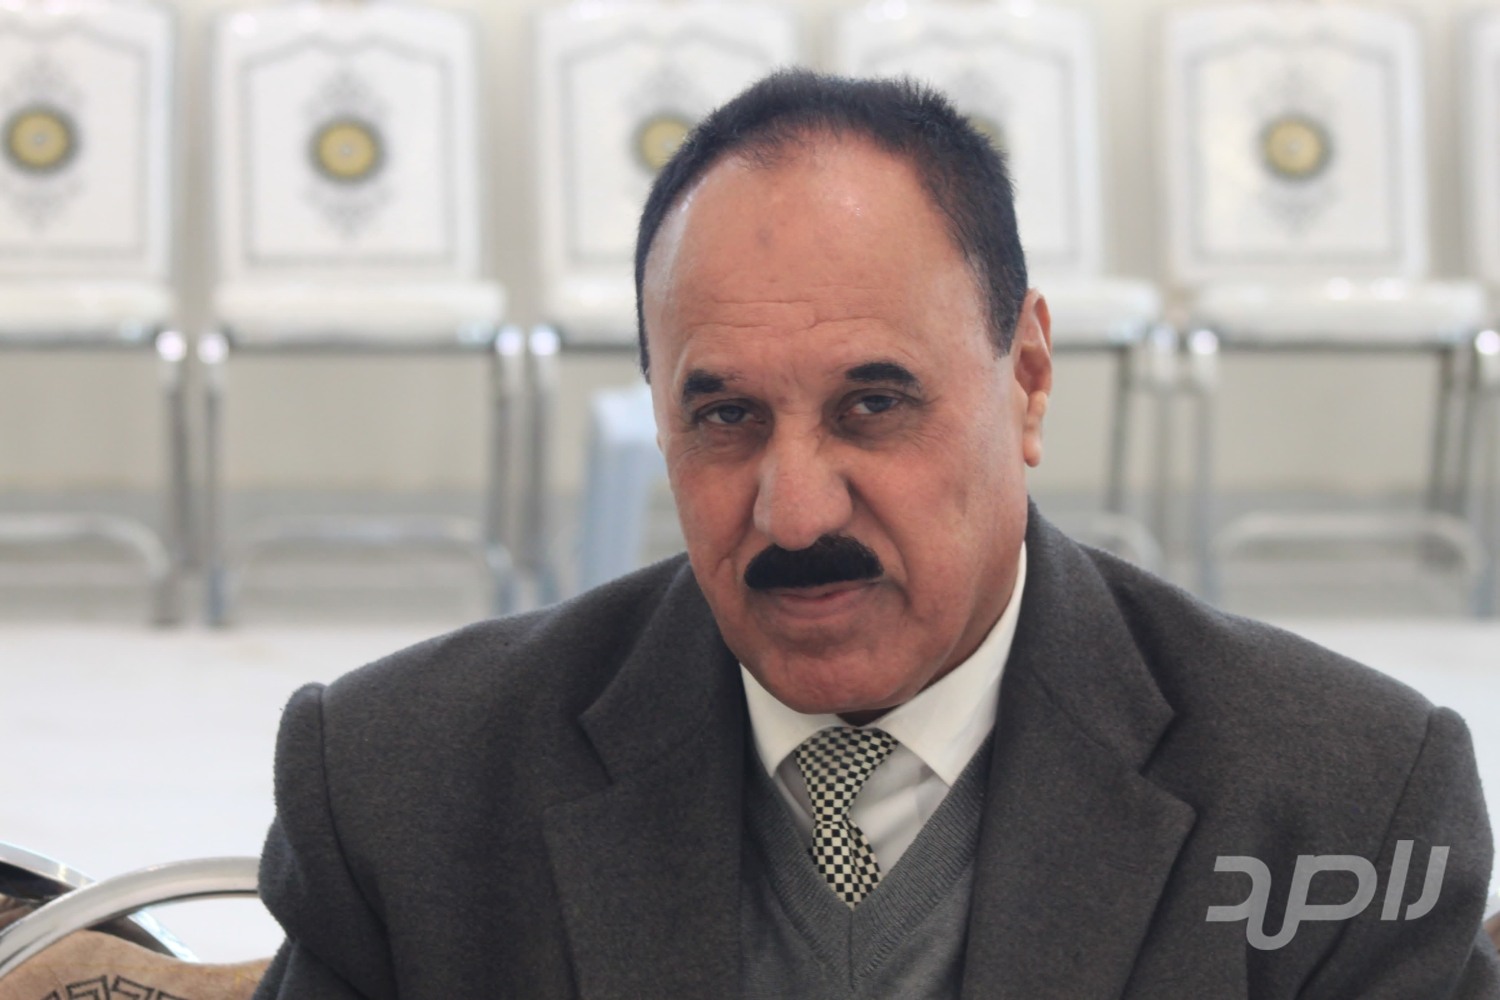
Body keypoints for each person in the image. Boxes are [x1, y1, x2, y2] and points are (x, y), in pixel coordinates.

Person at [252, 71, 1499, 999]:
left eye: (874, 404)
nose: (796, 512)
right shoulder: (402, 791)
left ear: (1028, 379)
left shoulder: (1346, 805)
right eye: (727, 417)